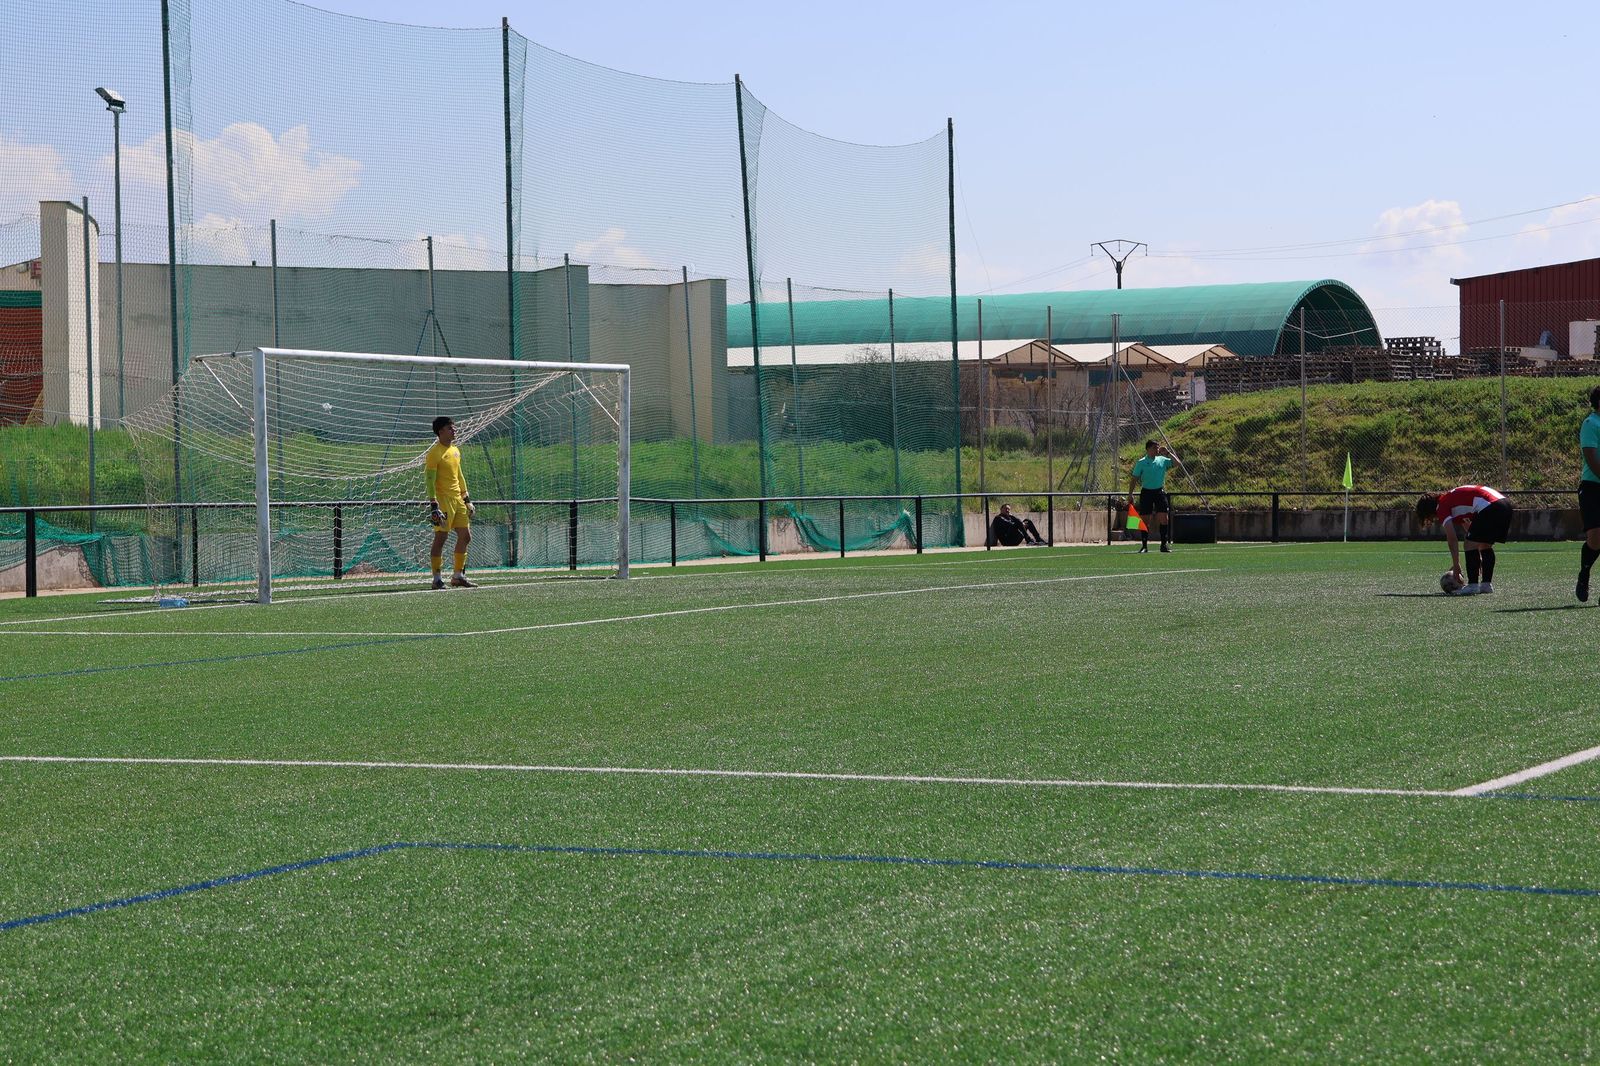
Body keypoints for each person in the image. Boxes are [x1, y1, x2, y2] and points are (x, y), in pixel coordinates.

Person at [1415, 485, 1513, 595]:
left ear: (1428, 510)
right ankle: (1486, 585)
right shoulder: (1452, 501)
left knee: (1468, 545)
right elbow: (1471, 530)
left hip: (1490, 506)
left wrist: (1456, 565)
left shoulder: (1441, 506)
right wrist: (1476, 558)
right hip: (1504, 505)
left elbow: (1452, 538)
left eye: (1428, 517)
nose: (1433, 519)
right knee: (1484, 545)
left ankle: (1472, 586)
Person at [425, 416, 477, 589]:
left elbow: (459, 475)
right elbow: (430, 480)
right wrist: (434, 504)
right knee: (441, 537)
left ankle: (458, 576)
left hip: (458, 500)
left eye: (453, 427)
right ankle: (437, 579)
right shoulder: (434, 453)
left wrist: (466, 499)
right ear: (440, 431)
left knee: (466, 536)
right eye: (450, 428)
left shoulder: (455, 450)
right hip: (443, 500)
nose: (454, 430)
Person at [1127, 440, 1178, 553]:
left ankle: (1163, 545)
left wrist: (1168, 453)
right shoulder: (1141, 462)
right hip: (1146, 492)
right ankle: (1144, 546)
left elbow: (1177, 463)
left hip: (1159, 492)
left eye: (1158, 447)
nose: (1157, 449)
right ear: (1148, 449)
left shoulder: (1162, 460)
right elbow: (1134, 479)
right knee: (1145, 520)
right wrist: (1130, 494)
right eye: (1155, 447)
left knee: (1164, 518)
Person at [1578, 385, 1600, 602]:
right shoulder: (1591, 423)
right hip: (1593, 487)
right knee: (1595, 538)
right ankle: (1584, 574)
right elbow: (1591, 458)